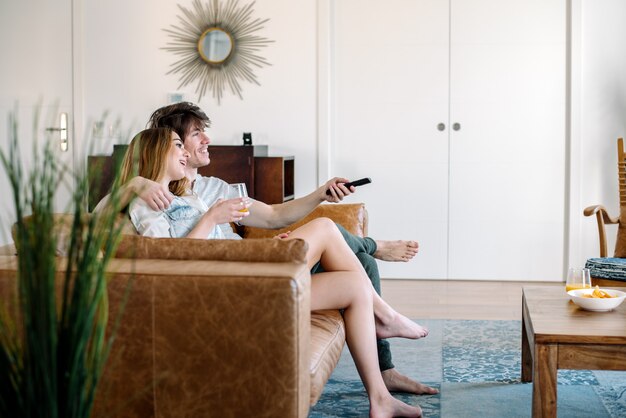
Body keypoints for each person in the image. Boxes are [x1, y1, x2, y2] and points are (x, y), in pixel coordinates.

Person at [95, 102, 436, 395]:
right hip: (244, 270)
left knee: (360, 263)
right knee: (335, 235)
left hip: (248, 262)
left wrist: (320, 193)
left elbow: (273, 215)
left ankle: (384, 373)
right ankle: (380, 282)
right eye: (196, 134)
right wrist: (135, 186)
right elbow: (107, 223)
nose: (205, 140)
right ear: (169, 144)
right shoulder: (152, 196)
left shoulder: (208, 189)